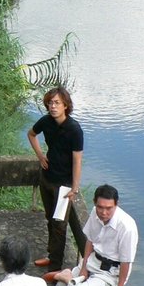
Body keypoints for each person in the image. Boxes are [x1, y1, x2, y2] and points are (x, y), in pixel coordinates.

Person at [45, 183, 138, 286]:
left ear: (117, 205)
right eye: (100, 207)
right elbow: (90, 240)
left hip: (109, 273)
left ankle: (67, 276)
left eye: (109, 208)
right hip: (93, 261)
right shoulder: (95, 213)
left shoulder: (127, 227)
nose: (104, 212)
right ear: (95, 202)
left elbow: (126, 262)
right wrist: (84, 266)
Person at [27, 86, 83, 272]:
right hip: (47, 178)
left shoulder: (74, 129)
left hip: (64, 185)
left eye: (57, 103)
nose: (53, 106)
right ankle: (51, 256)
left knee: (59, 224)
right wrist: (40, 156)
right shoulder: (46, 122)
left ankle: (56, 267)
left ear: (66, 105)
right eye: (50, 103)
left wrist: (75, 187)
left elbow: (77, 159)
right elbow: (31, 134)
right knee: (50, 219)